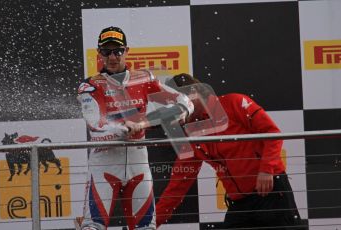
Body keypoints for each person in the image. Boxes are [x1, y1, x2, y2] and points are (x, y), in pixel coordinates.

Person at [77, 27, 194, 230]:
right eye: (106, 51)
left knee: (146, 227)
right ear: (99, 53)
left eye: (118, 50)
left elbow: (185, 103)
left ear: (126, 50)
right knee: (92, 227)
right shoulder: (90, 86)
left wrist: (146, 122)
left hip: (138, 161)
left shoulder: (145, 78)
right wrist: (122, 129)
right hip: (104, 163)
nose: (112, 56)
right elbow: (96, 129)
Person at [155, 73, 303, 229]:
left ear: (194, 91)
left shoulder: (234, 102)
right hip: (239, 203)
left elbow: (272, 133)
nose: (179, 110)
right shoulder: (190, 133)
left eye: (180, 102)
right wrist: (152, 223)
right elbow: (179, 183)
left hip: (271, 192)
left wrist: (267, 170)